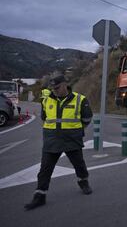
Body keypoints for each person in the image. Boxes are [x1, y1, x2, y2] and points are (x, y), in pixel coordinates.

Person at [24, 74, 93, 210]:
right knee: (45, 169)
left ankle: (83, 182)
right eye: (53, 88)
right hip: (52, 140)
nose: (55, 90)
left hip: (72, 139)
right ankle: (40, 195)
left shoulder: (80, 99)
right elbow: (44, 117)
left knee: (79, 164)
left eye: (58, 87)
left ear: (65, 84)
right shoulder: (47, 100)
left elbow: (87, 118)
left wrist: (76, 130)